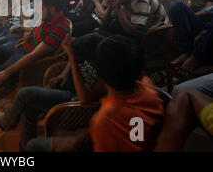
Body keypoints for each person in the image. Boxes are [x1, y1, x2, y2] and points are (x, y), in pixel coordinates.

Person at [29, 34, 165, 152]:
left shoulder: (104, 119)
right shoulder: (149, 89)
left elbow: (113, 128)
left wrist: (74, 142)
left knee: (33, 146)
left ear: (99, 76)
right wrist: (79, 138)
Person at [0, 33, 104, 151]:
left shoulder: (104, 72)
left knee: (25, 94)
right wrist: (63, 74)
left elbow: (85, 99)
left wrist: (73, 58)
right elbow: (73, 59)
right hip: (63, 86)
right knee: (28, 108)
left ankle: (3, 124)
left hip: (74, 102)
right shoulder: (88, 47)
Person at [0, 0, 70, 118]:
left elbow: (33, 55)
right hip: (20, 46)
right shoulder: (50, 19)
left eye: (40, 8)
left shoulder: (59, 29)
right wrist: (28, 32)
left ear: (52, 9)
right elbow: (39, 32)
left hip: (25, 55)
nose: (38, 11)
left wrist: (7, 72)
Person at [102, 0, 168, 38]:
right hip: (136, 29)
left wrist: (117, 8)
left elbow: (133, 31)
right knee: (103, 31)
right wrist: (110, 8)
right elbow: (105, 25)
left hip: (155, 31)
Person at [167, 1, 213, 78]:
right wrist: (188, 16)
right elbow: (210, 8)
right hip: (206, 25)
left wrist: (206, 32)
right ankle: (187, 51)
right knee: (176, 6)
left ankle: (195, 58)